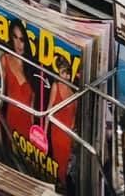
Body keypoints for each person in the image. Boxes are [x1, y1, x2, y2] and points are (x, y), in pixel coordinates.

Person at [0, 21, 39, 147]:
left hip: (28, 126)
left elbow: (33, 105)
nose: (18, 44)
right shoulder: (5, 59)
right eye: (15, 37)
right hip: (10, 121)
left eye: (22, 39)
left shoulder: (33, 67)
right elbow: (1, 96)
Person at [47, 54, 78, 190]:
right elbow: (49, 108)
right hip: (56, 132)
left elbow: (74, 119)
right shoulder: (56, 86)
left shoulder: (74, 94)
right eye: (62, 73)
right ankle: (59, 185)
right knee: (57, 161)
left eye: (67, 73)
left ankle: (63, 187)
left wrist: (72, 134)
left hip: (67, 135)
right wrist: (44, 130)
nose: (65, 76)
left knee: (65, 163)